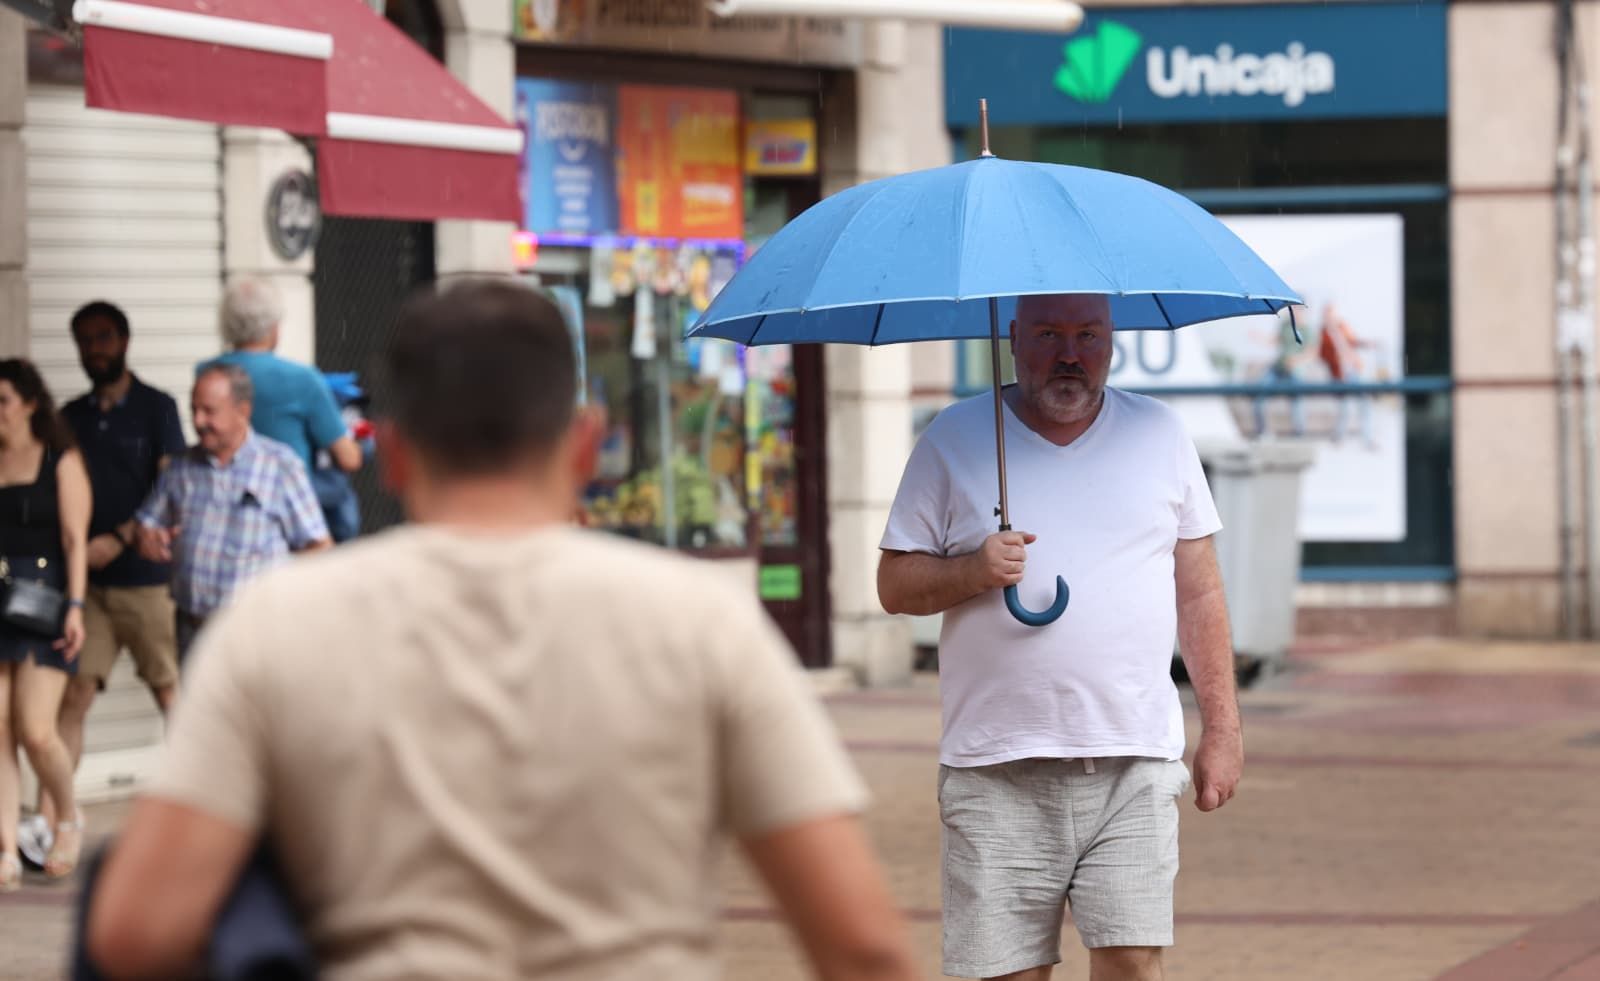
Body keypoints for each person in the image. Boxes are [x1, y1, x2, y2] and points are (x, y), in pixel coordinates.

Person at [87, 279, 921, 981]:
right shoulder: (702, 623)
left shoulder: (276, 624)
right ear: (586, 444)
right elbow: (865, 945)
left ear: (397, 452)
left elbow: (135, 930)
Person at [876, 293, 1243, 981]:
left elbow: (1199, 592)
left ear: (1112, 338)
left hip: (1129, 762)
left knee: (1134, 963)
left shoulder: (1160, 434)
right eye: (1048, 333)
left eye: (1088, 333)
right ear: (1013, 338)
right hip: (995, 770)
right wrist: (972, 570)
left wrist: (1222, 726)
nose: (1070, 353)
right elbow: (893, 585)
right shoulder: (953, 439)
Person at [23, 303, 189, 869]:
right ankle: (50, 823)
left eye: (103, 337)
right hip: (87, 588)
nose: (94, 348)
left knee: (172, 694)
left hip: (145, 582)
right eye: (84, 340)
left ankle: (200, 813)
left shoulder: (157, 409)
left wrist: (120, 537)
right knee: (74, 698)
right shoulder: (69, 417)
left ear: (123, 339)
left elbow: (171, 485)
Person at [134, 365, 330, 661]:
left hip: (257, 634)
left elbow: (319, 548)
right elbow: (146, 524)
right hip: (192, 630)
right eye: (194, 409)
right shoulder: (180, 466)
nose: (198, 421)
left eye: (210, 411)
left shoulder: (280, 466)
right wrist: (148, 538)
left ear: (243, 411)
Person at [0, 359, 91, 887]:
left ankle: (68, 816)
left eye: (4, 400)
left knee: (37, 731)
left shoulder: (61, 459)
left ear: (31, 403)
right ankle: (7, 847)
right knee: (0, 731)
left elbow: (76, 540)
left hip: (45, 604)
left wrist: (76, 606)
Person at [200, 277, 362, 507]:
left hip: (221, 498)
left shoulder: (207, 374)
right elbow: (349, 459)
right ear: (273, 326)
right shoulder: (303, 379)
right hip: (287, 506)